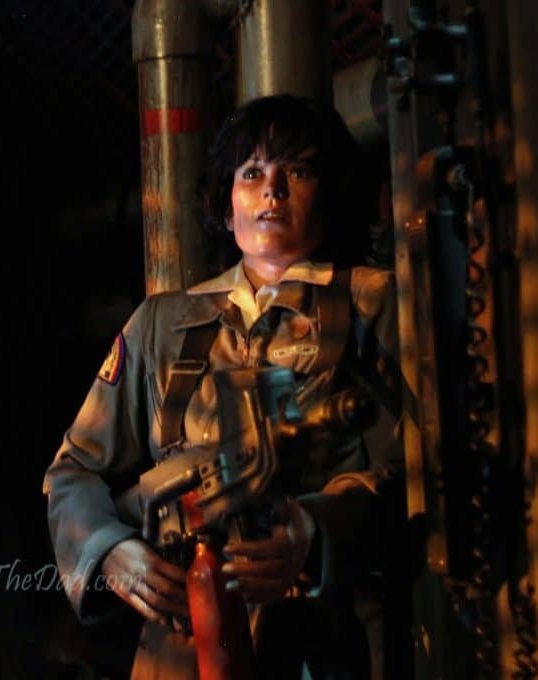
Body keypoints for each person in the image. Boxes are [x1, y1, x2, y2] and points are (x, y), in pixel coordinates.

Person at [43, 95, 406, 679]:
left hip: (337, 635)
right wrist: (108, 549)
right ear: (225, 199)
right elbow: (74, 470)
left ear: (331, 191)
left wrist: (315, 532)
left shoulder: (377, 304)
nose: (272, 192)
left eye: (298, 171)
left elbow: (420, 470)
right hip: (186, 638)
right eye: (252, 173)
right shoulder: (162, 324)